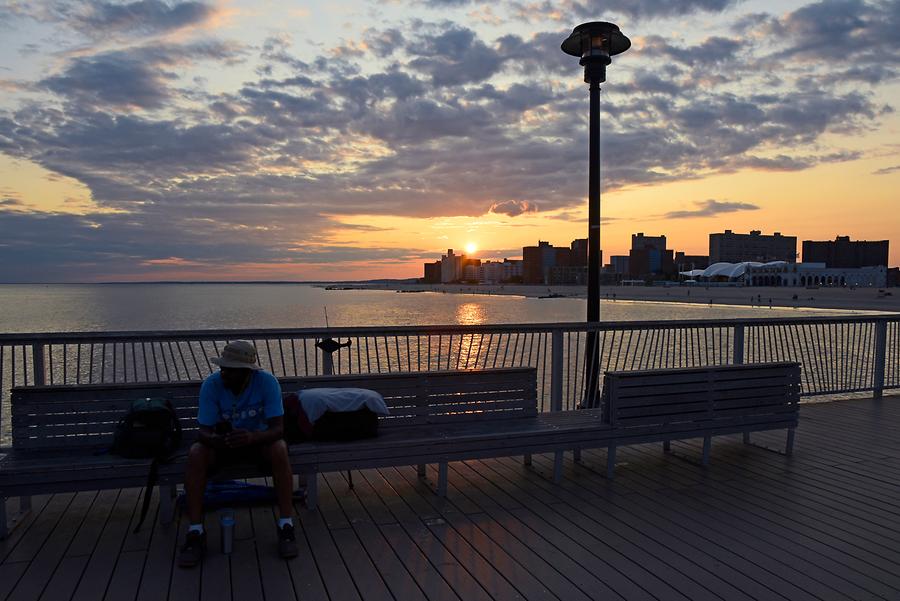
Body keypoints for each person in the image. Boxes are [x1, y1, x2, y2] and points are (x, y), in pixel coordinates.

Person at [178, 340, 298, 568]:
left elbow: (279, 429)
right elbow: (202, 431)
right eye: (223, 368)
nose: (224, 373)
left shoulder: (267, 383)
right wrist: (215, 440)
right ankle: (196, 531)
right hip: (223, 448)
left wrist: (253, 437)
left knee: (280, 448)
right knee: (196, 453)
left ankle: (286, 525)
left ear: (246, 372)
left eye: (230, 370)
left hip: (258, 445)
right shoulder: (211, 385)